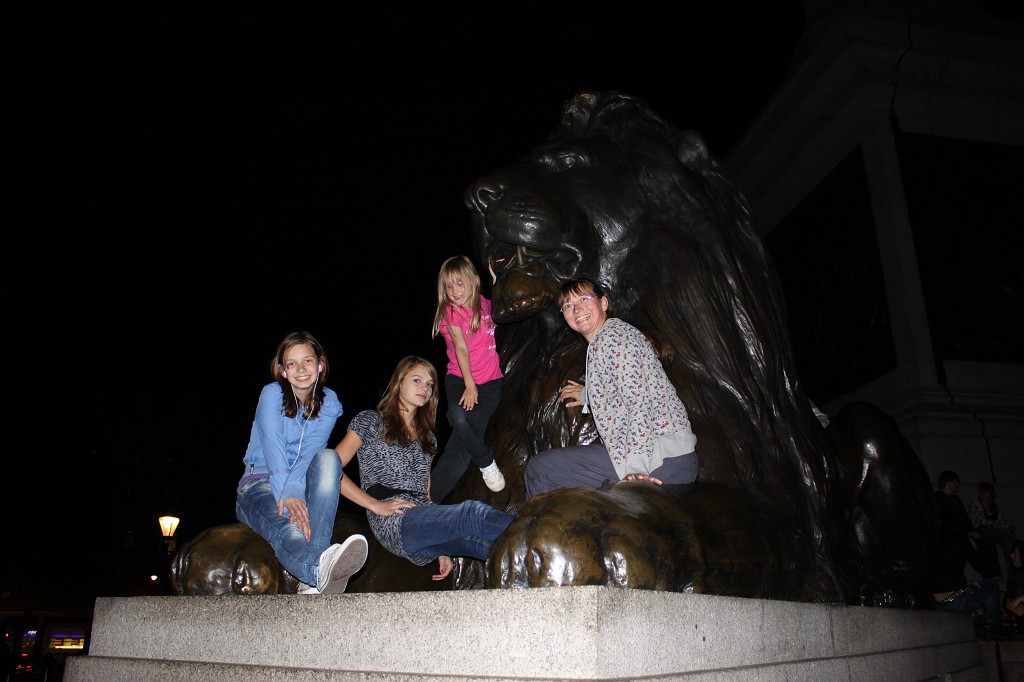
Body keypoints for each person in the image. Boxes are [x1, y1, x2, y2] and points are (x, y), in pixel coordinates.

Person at [335, 356, 514, 579]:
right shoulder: (371, 421)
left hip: (422, 519)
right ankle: (533, 528)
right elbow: (329, 470)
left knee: (490, 547)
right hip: (395, 519)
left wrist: (443, 548)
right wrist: (374, 506)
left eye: (430, 384)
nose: (425, 388)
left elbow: (426, 494)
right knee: (472, 513)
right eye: (417, 380)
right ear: (399, 382)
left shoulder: (427, 438)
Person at [525, 279, 698, 497]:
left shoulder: (614, 338)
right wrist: (586, 394)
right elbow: (623, 387)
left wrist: (636, 472)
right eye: (568, 306)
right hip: (663, 458)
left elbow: (639, 403)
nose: (577, 309)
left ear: (604, 303)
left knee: (541, 470)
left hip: (661, 461)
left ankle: (539, 530)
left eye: (584, 299)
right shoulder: (606, 339)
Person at [235, 331, 368, 595]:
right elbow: (273, 450)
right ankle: (319, 570)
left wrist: (296, 490)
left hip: (302, 484)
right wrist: (289, 492)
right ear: (283, 371)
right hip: (259, 483)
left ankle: (311, 581)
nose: (300, 369)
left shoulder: (329, 401)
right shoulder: (271, 394)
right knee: (290, 529)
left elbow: (311, 451)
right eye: (291, 364)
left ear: (320, 364)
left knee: (329, 457)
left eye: (307, 361)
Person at [429, 255, 506, 501]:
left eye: (460, 283)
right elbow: (461, 348)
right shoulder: (451, 312)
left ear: (473, 281)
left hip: (491, 383)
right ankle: (486, 462)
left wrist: (497, 280)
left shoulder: (485, 305)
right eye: (449, 286)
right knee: (457, 415)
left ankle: (427, 500)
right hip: (460, 379)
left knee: (459, 453)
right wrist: (469, 385)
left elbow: (505, 304)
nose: (454, 290)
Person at [931, 470, 1005, 638]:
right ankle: (993, 628)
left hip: (936, 602)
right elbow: (977, 562)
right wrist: (968, 540)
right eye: (955, 482)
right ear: (948, 482)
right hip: (952, 599)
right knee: (991, 586)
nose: (957, 486)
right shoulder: (939, 501)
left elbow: (966, 523)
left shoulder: (931, 544)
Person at [969, 481, 1019, 565]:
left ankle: (1014, 572)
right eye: (981, 491)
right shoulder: (976, 504)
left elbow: (999, 521)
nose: (982, 493)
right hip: (981, 532)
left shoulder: (993, 507)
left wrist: (1006, 526)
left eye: (985, 491)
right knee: (1006, 533)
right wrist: (1006, 526)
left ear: (991, 493)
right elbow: (984, 522)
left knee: (1007, 544)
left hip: (993, 532)